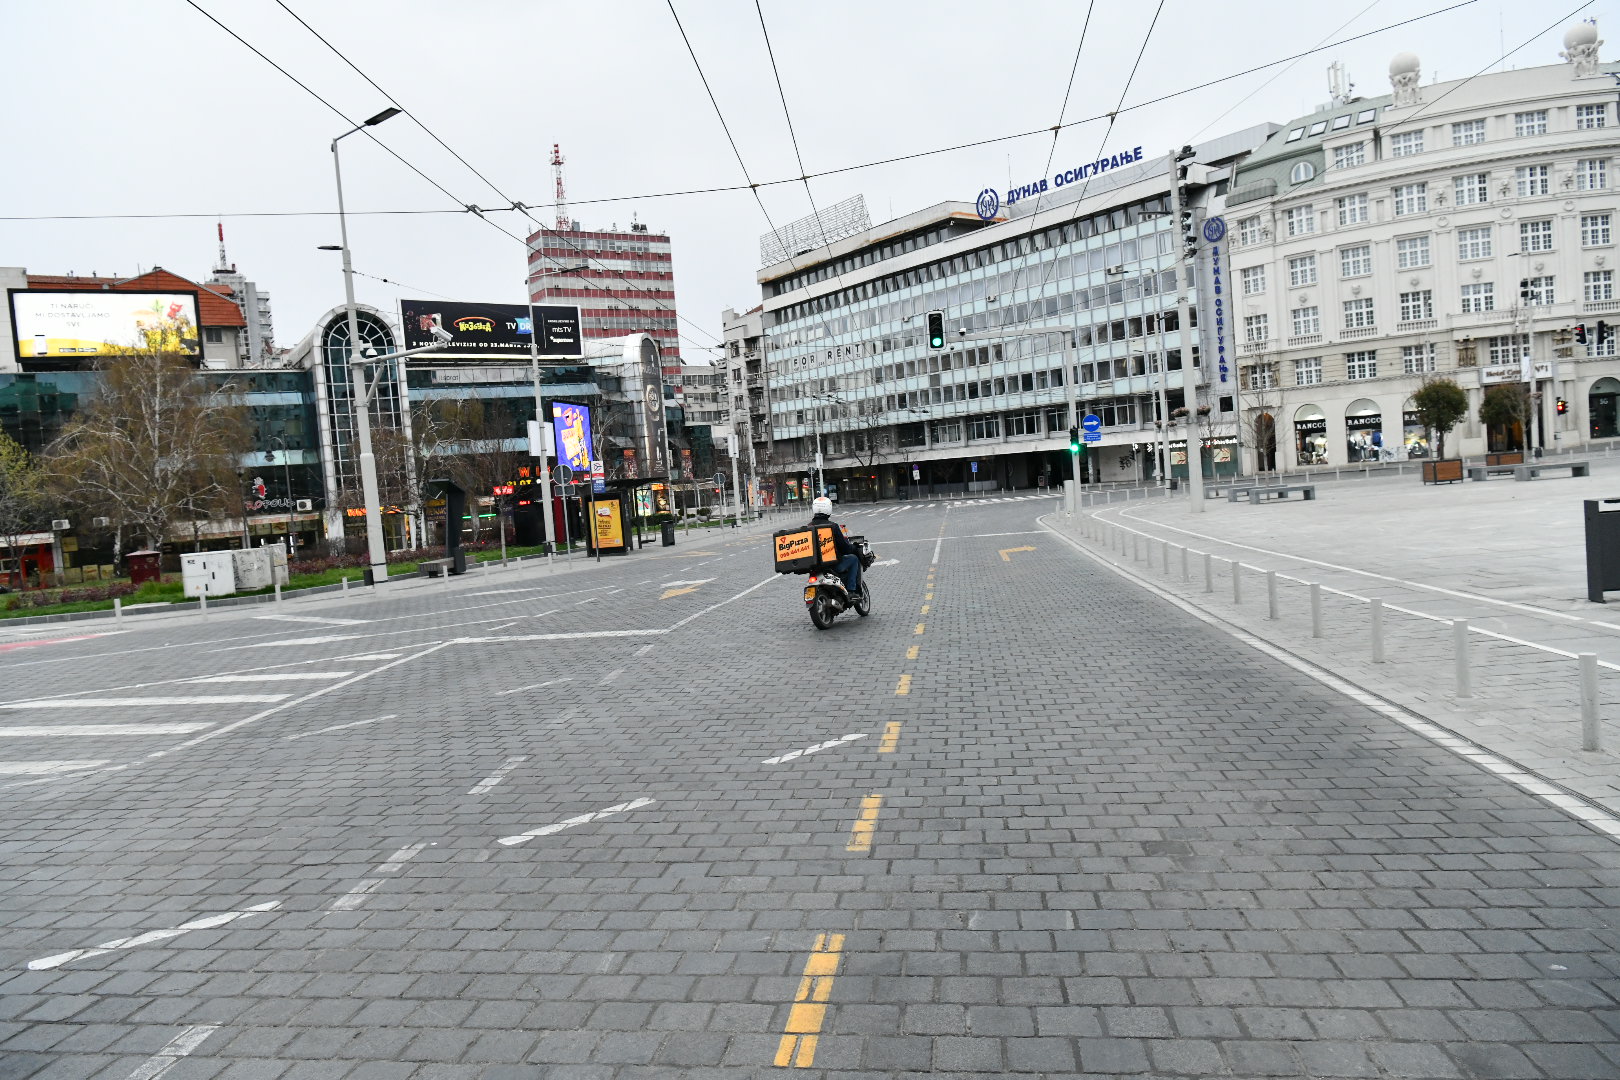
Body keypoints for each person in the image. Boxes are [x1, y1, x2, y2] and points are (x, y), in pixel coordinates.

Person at [809, 495, 861, 596]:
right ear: (828, 509)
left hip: (814, 565)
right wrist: (854, 548)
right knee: (854, 559)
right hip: (832, 564)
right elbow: (845, 548)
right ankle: (851, 590)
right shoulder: (832, 526)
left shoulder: (808, 527)